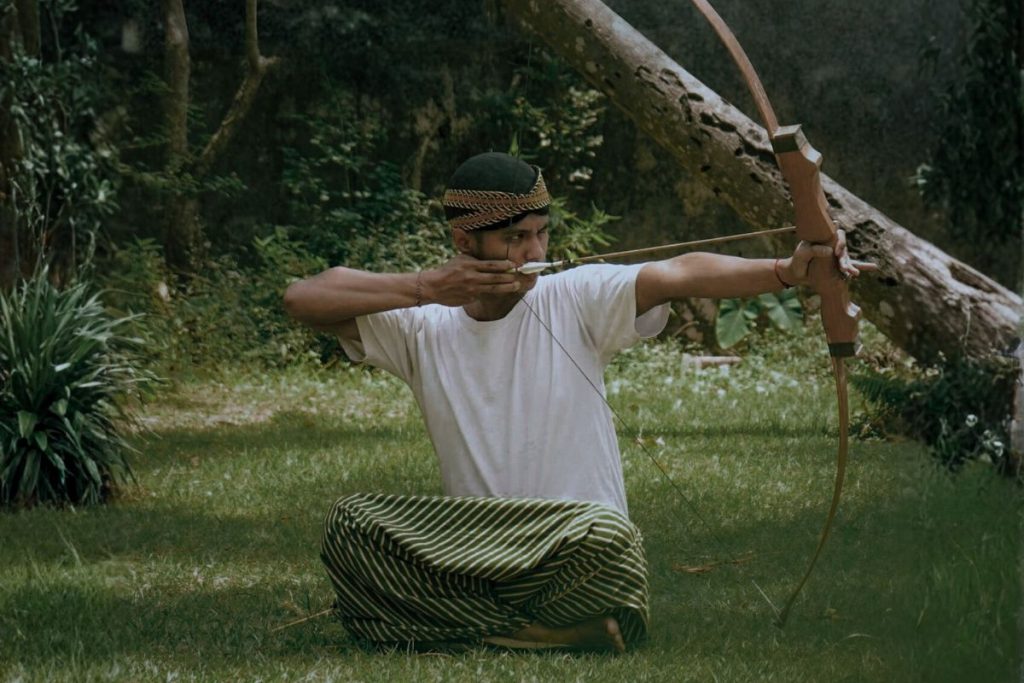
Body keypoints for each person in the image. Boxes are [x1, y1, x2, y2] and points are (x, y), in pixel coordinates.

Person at [283, 152, 870, 653]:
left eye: (541, 232)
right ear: (464, 242)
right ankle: (535, 632)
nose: (535, 250)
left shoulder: (574, 296)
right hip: (477, 550)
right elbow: (303, 298)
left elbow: (678, 273)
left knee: (610, 536)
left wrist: (785, 271)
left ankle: (468, 626)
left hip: (576, 547)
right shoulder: (422, 324)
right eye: (515, 238)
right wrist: (427, 287)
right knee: (351, 524)